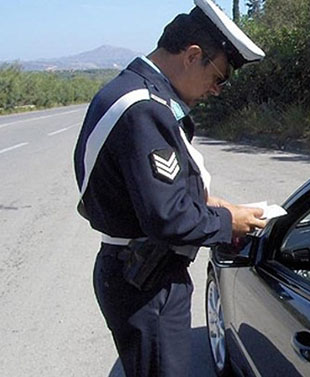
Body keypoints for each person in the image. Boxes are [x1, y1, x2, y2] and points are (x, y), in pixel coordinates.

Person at [73, 1, 267, 375]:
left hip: (137, 273)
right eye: (219, 77)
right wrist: (229, 222)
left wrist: (207, 201)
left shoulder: (134, 92)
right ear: (193, 55)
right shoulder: (144, 107)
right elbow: (168, 218)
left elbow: (148, 190)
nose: (216, 90)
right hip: (146, 280)